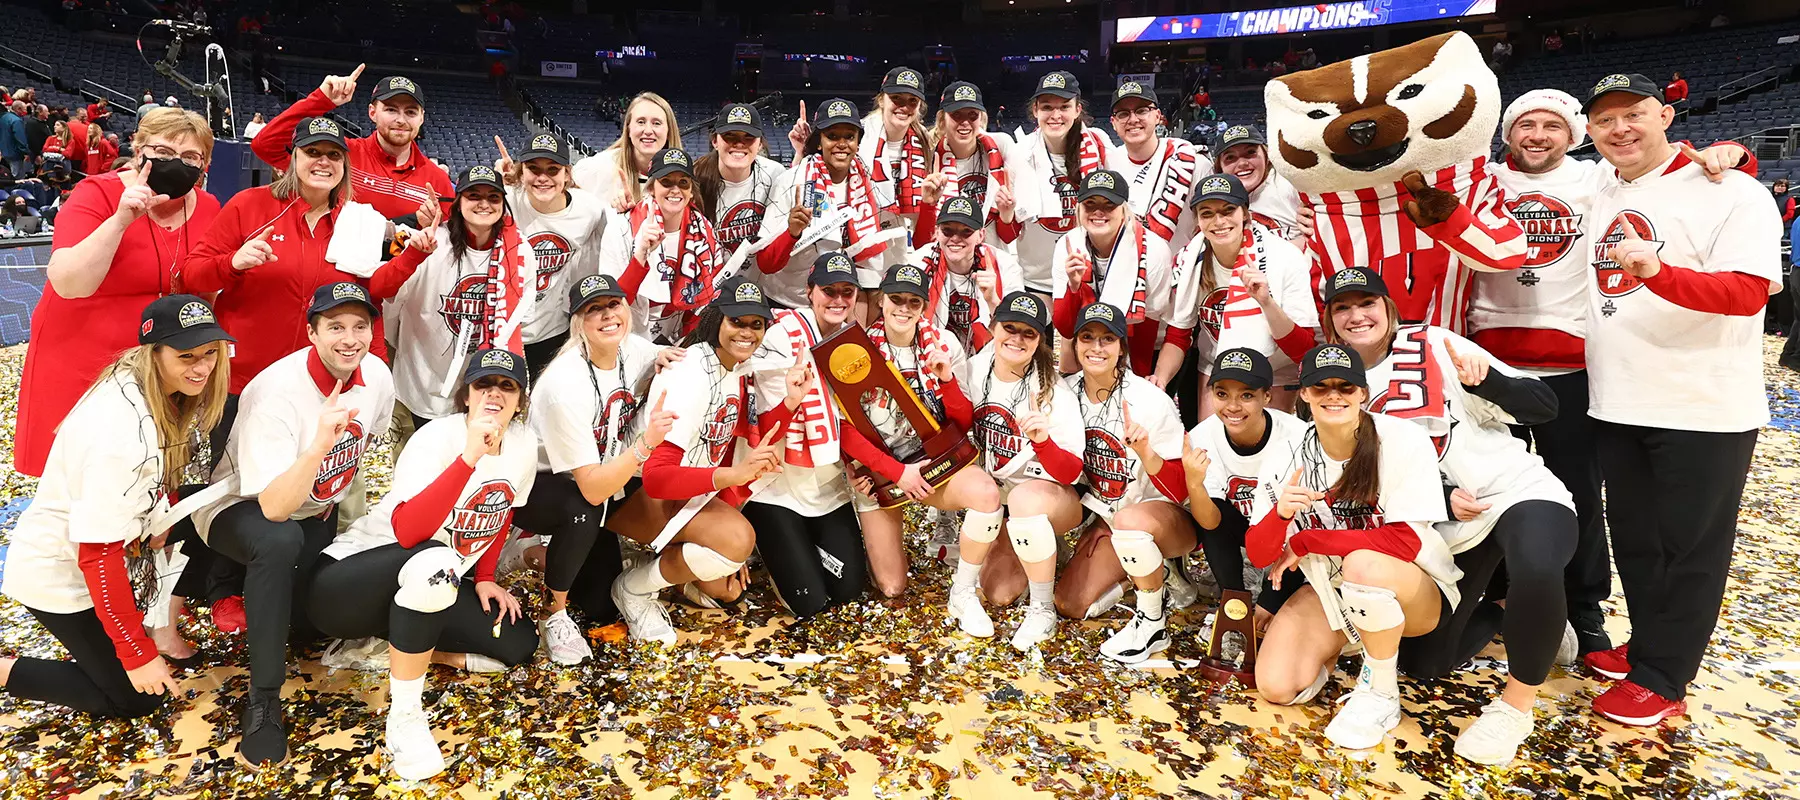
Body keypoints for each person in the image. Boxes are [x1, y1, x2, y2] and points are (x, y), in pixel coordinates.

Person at [1468, 89, 1754, 656]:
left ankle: (1584, 606)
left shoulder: (1595, 180)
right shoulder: (1485, 183)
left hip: (1575, 365)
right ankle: (1496, 593)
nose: (1538, 135)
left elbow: (1660, 166)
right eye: (1526, 124)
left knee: (1577, 493)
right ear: (1507, 134)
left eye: (1553, 124)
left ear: (1574, 135)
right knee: (1483, 485)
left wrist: (1730, 154)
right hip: (1490, 363)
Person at [1577, 72, 1782, 726]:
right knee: (1638, 541)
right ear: (1590, 132)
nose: (1620, 129)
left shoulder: (1734, 190)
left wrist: (1657, 274)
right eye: (1605, 120)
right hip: (1619, 399)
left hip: (1703, 405)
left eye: (1634, 114)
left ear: (1666, 114)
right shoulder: (1599, 186)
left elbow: (1748, 293)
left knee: (1691, 548)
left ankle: (1665, 677)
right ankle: (1649, 646)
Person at [1321, 266, 1577, 765]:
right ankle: (1518, 618)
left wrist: (1489, 384)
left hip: (1512, 491)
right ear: (1330, 322)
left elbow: (1544, 407)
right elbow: (1356, 482)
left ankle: (1515, 708)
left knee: (1537, 562)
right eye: (1342, 308)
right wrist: (1438, 496)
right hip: (1441, 524)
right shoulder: (1334, 383)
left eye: (1366, 303)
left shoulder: (1435, 342)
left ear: (1389, 308)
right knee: (1424, 661)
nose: (1357, 316)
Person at [310, 347, 541, 781]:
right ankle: (405, 718)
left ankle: (392, 648)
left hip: (430, 580)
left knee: (516, 644)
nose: (494, 394)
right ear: (466, 395)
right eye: (483, 385)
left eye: (507, 387)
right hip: (347, 583)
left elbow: (505, 508)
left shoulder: (525, 443)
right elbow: (411, 532)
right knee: (434, 561)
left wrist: (487, 577)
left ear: (520, 399)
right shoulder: (436, 437)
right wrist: (469, 456)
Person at [187, 283, 393, 765]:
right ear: (311, 332)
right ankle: (263, 699)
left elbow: (365, 447)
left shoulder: (378, 375)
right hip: (238, 507)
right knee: (278, 541)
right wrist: (321, 441)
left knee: (310, 620)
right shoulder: (277, 392)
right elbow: (275, 507)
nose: (349, 338)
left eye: (359, 326)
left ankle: (264, 596)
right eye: (335, 326)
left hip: (313, 508)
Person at [0, 295, 231, 719]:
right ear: (153, 352)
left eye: (210, 353)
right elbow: (97, 556)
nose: (202, 367)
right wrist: (135, 653)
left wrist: (159, 513)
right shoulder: (120, 431)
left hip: (117, 544)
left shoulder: (150, 385)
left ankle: (157, 626)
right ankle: (3, 670)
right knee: (138, 699)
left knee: (217, 515)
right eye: (186, 356)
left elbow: (151, 478)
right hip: (61, 576)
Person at [1244, 343, 1456, 752]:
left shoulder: (1402, 440)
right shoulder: (1286, 453)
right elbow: (1258, 555)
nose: (1334, 395)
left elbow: (1404, 541)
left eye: (1345, 386)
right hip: (1331, 593)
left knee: (1362, 565)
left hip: (1412, 590)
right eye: (1321, 387)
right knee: (1276, 686)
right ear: (1303, 394)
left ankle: (1380, 694)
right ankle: (1344, 652)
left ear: (1363, 392)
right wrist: (1281, 515)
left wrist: (1307, 540)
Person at [14, 108, 219, 477]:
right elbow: (68, 282)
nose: (179, 163)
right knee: (81, 475)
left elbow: (205, 286)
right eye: (165, 152)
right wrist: (121, 220)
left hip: (160, 363)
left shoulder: (208, 207)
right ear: (139, 150)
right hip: (83, 353)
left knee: (151, 472)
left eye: (192, 157)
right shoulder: (97, 193)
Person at [604, 277, 784, 643]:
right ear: (717, 318)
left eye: (756, 324)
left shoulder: (732, 366)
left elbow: (726, 441)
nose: (747, 332)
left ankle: (650, 562)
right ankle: (633, 588)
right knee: (736, 541)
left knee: (725, 591)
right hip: (631, 492)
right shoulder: (690, 374)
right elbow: (656, 477)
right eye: (737, 321)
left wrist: (790, 404)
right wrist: (732, 477)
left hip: (681, 491)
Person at [517, 274, 670, 664]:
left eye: (613, 305)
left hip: (602, 472)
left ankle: (627, 579)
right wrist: (645, 444)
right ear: (578, 324)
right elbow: (591, 491)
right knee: (584, 510)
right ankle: (554, 613)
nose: (606, 316)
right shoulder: (563, 385)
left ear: (627, 310)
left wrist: (668, 363)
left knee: (601, 605)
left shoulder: (635, 350)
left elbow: (672, 362)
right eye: (593, 310)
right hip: (540, 485)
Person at [744, 253, 888, 617]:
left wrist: (859, 466)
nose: (838, 300)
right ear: (809, 292)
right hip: (776, 489)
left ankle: (798, 548)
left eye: (847, 292)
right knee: (810, 602)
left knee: (849, 590)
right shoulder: (782, 336)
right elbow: (764, 420)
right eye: (829, 290)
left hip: (827, 487)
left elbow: (857, 421)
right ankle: (775, 545)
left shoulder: (855, 344)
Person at [1053, 302, 1194, 662]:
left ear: (1122, 348)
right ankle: (1142, 570)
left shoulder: (1150, 401)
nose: (1096, 348)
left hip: (1158, 517)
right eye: (1087, 338)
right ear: (1075, 344)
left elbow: (1182, 489)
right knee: (1070, 603)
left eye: (1107, 339)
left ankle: (1153, 617)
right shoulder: (1063, 394)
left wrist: (1148, 453)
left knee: (1130, 524)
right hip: (1110, 515)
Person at [949, 291, 1086, 650]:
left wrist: (1042, 441)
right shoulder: (973, 369)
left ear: (1040, 340)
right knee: (1000, 593)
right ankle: (972, 586)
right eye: (1010, 328)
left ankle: (1043, 610)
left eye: (1029, 333)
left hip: (1050, 495)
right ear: (994, 328)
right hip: (999, 500)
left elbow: (1071, 472)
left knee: (1024, 499)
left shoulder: (1053, 390)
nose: (1017, 338)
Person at [851, 262, 998, 597]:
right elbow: (847, 428)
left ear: (924, 306)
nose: (904, 308)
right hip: (883, 473)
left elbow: (962, 423)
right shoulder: (857, 350)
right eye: (896, 299)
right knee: (892, 587)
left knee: (986, 494)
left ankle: (962, 593)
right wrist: (890, 470)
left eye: (913, 302)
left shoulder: (943, 343)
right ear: (882, 301)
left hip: (934, 463)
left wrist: (945, 380)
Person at [385, 166, 537, 425]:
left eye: (493, 197)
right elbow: (391, 297)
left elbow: (520, 320)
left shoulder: (520, 252)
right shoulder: (430, 242)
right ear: (458, 202)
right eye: (474, 196)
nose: (484, 204)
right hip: (420, 380)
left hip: (483, 387)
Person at [1186, 348, 1310, 636]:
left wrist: (1270, 601)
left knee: (1272, 614)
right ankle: (1232, 601)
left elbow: (1305, 524)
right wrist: (1194, 484)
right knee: (1210, 511)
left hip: (1286, 530)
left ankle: (1272, 589)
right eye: (1222, 394)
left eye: (1246, 395)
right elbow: (1210, 523)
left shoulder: (1297, 436)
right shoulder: (1202, 436)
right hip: (1241, 524)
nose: (1232, 406)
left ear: (1267, 396)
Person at [1172, 173, 1316, 416]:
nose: (1218, 221)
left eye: (1228, 210)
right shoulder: (1189, 259)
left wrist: (1266, 302)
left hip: (1277, 372)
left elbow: (1304, 350)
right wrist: (1159, 381)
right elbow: (1179, 331)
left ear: (1245, 214)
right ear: (1197, 219)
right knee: (1213, 448)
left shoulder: (1285, 257)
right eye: (1207, 213)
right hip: (1217, 367)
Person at [252, 64, 454, 222]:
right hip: (336, 274)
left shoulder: (437, 181)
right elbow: (265, 145)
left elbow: (451, 239)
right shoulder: (338, 155)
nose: (401, 120)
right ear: (372, 112)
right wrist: (321, 100)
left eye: (410, 112)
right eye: (391, 110)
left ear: (421, 118)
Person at [757, 98, 902, 308]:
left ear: (858, 143)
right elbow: (766, 264)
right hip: (790, 301)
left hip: (839, 302)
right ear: (818, 141)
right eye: (832, 136)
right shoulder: (791, 182)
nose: (842, 144)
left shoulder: (870, 184)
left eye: (849, 137)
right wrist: (792, 233)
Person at [1051, 170, 1188, 388]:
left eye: (1108, 205)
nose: (1098, 212)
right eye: (1090, 204)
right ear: (1079, 208)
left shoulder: (1153, 250)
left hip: (1143, 344)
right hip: (1087, 338)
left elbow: (1149, 324)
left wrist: (1135, 382)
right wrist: (1074, 287)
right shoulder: (1068, 245)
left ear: (1124, 210)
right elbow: (1066, 328)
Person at [496, 133, 606, 377]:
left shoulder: (590, 210)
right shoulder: (504, 201)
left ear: (567, 174)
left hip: (552, 330)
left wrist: (625, 208)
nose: (542, 178)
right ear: (521, 172)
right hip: (501, 328)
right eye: (533, 169)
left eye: (553, 170)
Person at [599, 147, 726, 343]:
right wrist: (640, 256)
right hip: (630, 337)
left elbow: (708, 296)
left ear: (691, 192)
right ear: (651, 188)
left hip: (680, 337)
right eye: (666, 182)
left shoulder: (704, 231)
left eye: (683, 183)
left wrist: (687, 342)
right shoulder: (622, 228)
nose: (675, 190)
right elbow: (611, 303)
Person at [1013, 71, 1110, 297]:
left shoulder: (1098, 146)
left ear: (1077, 110)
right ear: (1035, 110)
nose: (1055, 115)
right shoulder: (1019, 153)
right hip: (1034, 279)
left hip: (1090, 275)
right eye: (1047, 107)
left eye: (1064, 106)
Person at [912, 196, 1023, 353]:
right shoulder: (919, 263)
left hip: (989, 355)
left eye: (966, 232)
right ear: (937, 232)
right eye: (947, 230)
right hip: (932, 351)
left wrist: (993, 300)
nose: (956, 238)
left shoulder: (1005, 267)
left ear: (981, 235)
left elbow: (1017, 332)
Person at [1106, 81, 1207, 249]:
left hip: (1179, 269)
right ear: (1113, 123)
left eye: (1142, 110)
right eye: (1123, 114)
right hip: (1129, 268)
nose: (1133, 119)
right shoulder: (1107, 164)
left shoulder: (1192, 162)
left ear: (1158, 116)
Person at [922, 81, 1021, 246]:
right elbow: (923, 244)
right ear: (942, 119)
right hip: (948, 262)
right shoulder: (930, 159)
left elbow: (1009, 237)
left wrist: (1006, 215)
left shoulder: (1001, 146)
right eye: (956, 115)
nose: (965, 122)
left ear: (981, 118)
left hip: (991, 261)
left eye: (972, 115)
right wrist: (929, 206)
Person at [692, 103, 786, 260]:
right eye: (730, 136)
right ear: (715, 141)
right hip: (714, 279)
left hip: (762, 279)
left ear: (760, 143)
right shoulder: (695, 180)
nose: (739, 143)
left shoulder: (775, 174)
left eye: (748, 136)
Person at [858, 67, 935, 241]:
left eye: (912, 101)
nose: (904, 106)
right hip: (864, 236)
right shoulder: (859, 136)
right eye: (896, 98)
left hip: (907, 237)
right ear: (881, 100)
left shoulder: (927, 143)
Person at [572, 91, 682, 212]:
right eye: (641, 122)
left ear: (668, 131)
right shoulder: (597, 169)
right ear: (628, 128)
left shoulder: (685, 177)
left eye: (656, 123)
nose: (648, 130)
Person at [1210, 125, 1308, 248]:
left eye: (1250, 152)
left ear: (1267, 156)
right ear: (1220, 168)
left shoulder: (1290, 184)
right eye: (1230, 157)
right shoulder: (1216, 201)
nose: (1242, 163)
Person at [2, 100, 28, 178]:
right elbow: (20, 139)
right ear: (18, 109)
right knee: (17, 179)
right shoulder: (16, 121)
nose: (26, 111)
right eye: (25, 109)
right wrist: (25, 152)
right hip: (15, 154)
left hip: (4, 152)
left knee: (6, 176)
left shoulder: (4, 117)